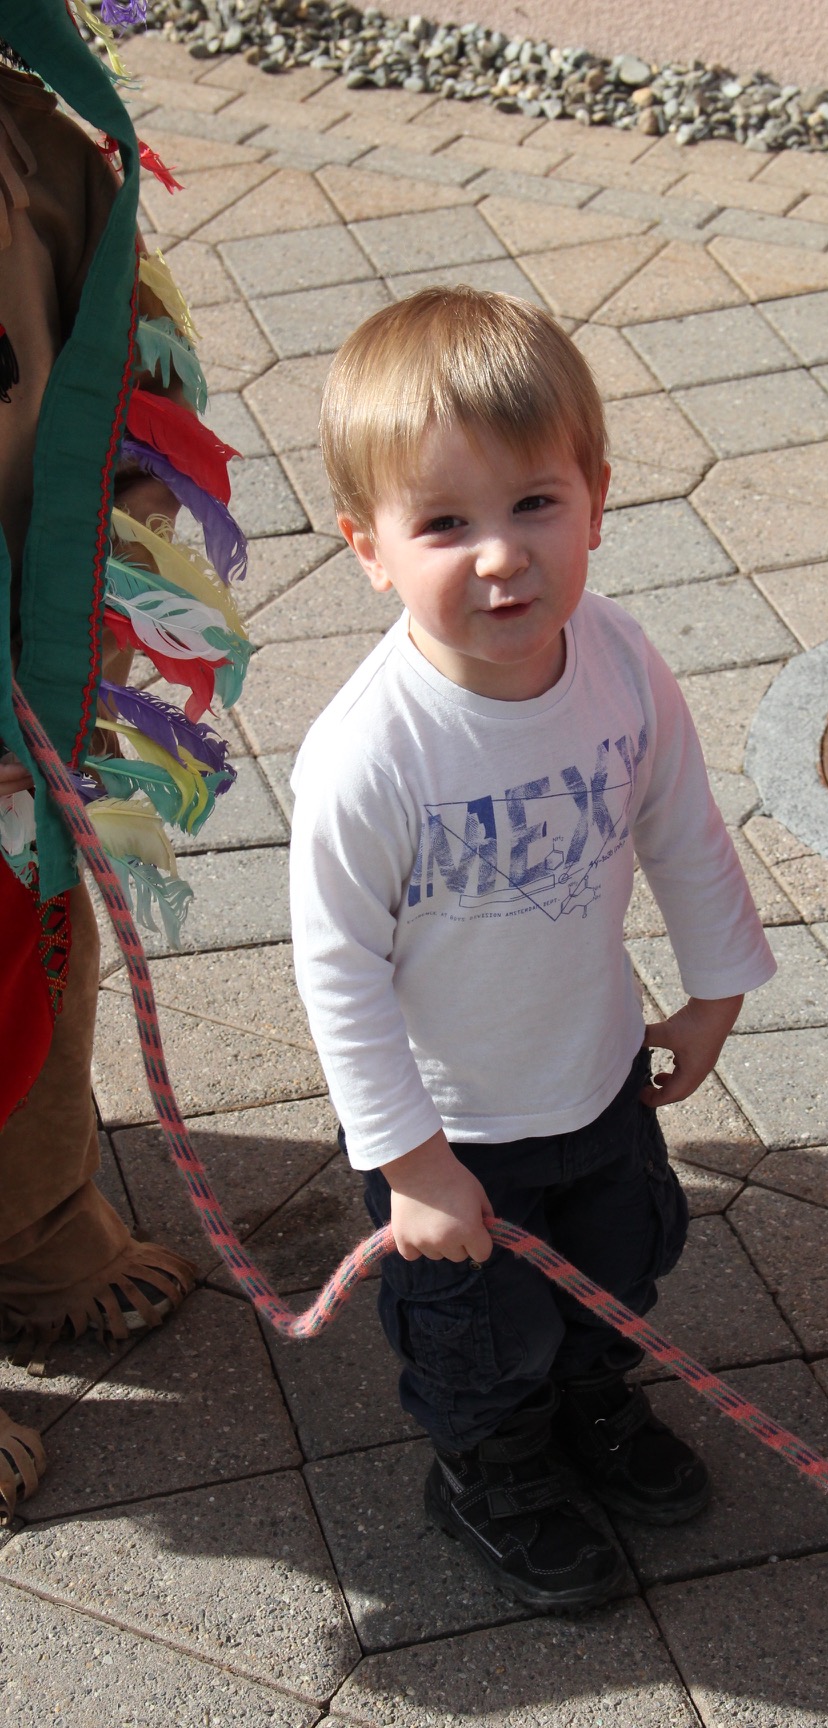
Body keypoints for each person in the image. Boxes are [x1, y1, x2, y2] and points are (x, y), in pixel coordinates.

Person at [289, 286, 775, 1611]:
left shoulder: (619, 660)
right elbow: (337, 968)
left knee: (616, 1269)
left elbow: (681, 822)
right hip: (453, 1124)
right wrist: (410, 1164)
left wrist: (714, 995)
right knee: (475, 1330)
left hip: (598, 1072)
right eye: (445, 524)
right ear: (369, 548)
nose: (501, 556)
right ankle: (491, 1467)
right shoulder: (372, 752)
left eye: (535, 504)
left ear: (597, 500)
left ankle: (593, 1403)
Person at [0, 3, 249, 1518]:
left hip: (19, 664)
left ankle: (31, 1224)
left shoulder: (29, 142)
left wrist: (109, 570)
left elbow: (113, 373)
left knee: (36, 944)